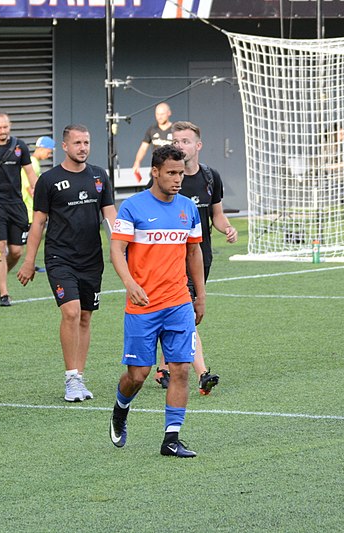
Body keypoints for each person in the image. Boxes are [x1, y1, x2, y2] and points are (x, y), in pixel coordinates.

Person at [108, 144, 205, 458]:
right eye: (171, 173)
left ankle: (171, 438)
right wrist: (130, 283)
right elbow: (116, 251)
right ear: (155, 172)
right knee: (138, 375)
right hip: (143, 305)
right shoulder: (132, 207)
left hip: (178, 303)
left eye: (180, 173)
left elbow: (194, 252)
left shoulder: (188, 209)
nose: (178, 179)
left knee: (180, 370)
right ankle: (121, 408)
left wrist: (200, 296)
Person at [16, 124, 116, 402]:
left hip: (92, 259)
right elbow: (38, 223)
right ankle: (71, 377)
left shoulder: (99, 176)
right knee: (71, 312)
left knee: (85, 316)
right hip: (60, 258)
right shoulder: (49, 181)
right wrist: (28, 261)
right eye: (77, 143)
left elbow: (110, 218)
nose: (82, 147)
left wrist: (121, 251)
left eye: (86, 142)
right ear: (65, 146)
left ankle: (80, 378)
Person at [153, 121, 238, 394]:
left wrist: (227, 228)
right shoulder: (166, 177)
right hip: (170, 260)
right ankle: (202, 372)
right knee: (185, 314)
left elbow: (216, 215)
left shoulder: (210, 177)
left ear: (198, 145)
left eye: (185, 141)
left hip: (201, 257)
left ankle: (164, 368)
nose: (180, 145)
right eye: (176, 141)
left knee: (177, 313)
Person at [0, 113, 40, 307]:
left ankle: (0, 276)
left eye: (5, 127)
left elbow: (30, 173)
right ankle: (4, 293)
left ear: (10, 126)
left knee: (16, 252)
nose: (2, 131)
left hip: (16, 203)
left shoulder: (20, 146)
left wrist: (40, 199)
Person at [21, 136, 54, 273]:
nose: (50, 154)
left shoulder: (34, 162)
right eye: (49, 150)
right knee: (30, 237)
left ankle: (30, 263)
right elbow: (30, 186)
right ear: (42, 148)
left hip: (28, 206)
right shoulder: (32, 163)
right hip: (28, 207)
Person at [131, 102, 174, 182]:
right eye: (157, 114)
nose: (159, 117)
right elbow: (143, 148)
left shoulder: (175, 129)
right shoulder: (152, 129)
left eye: (162, 114)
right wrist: (137, 162)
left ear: (169, 113)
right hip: (156, 169)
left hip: (172, 169)